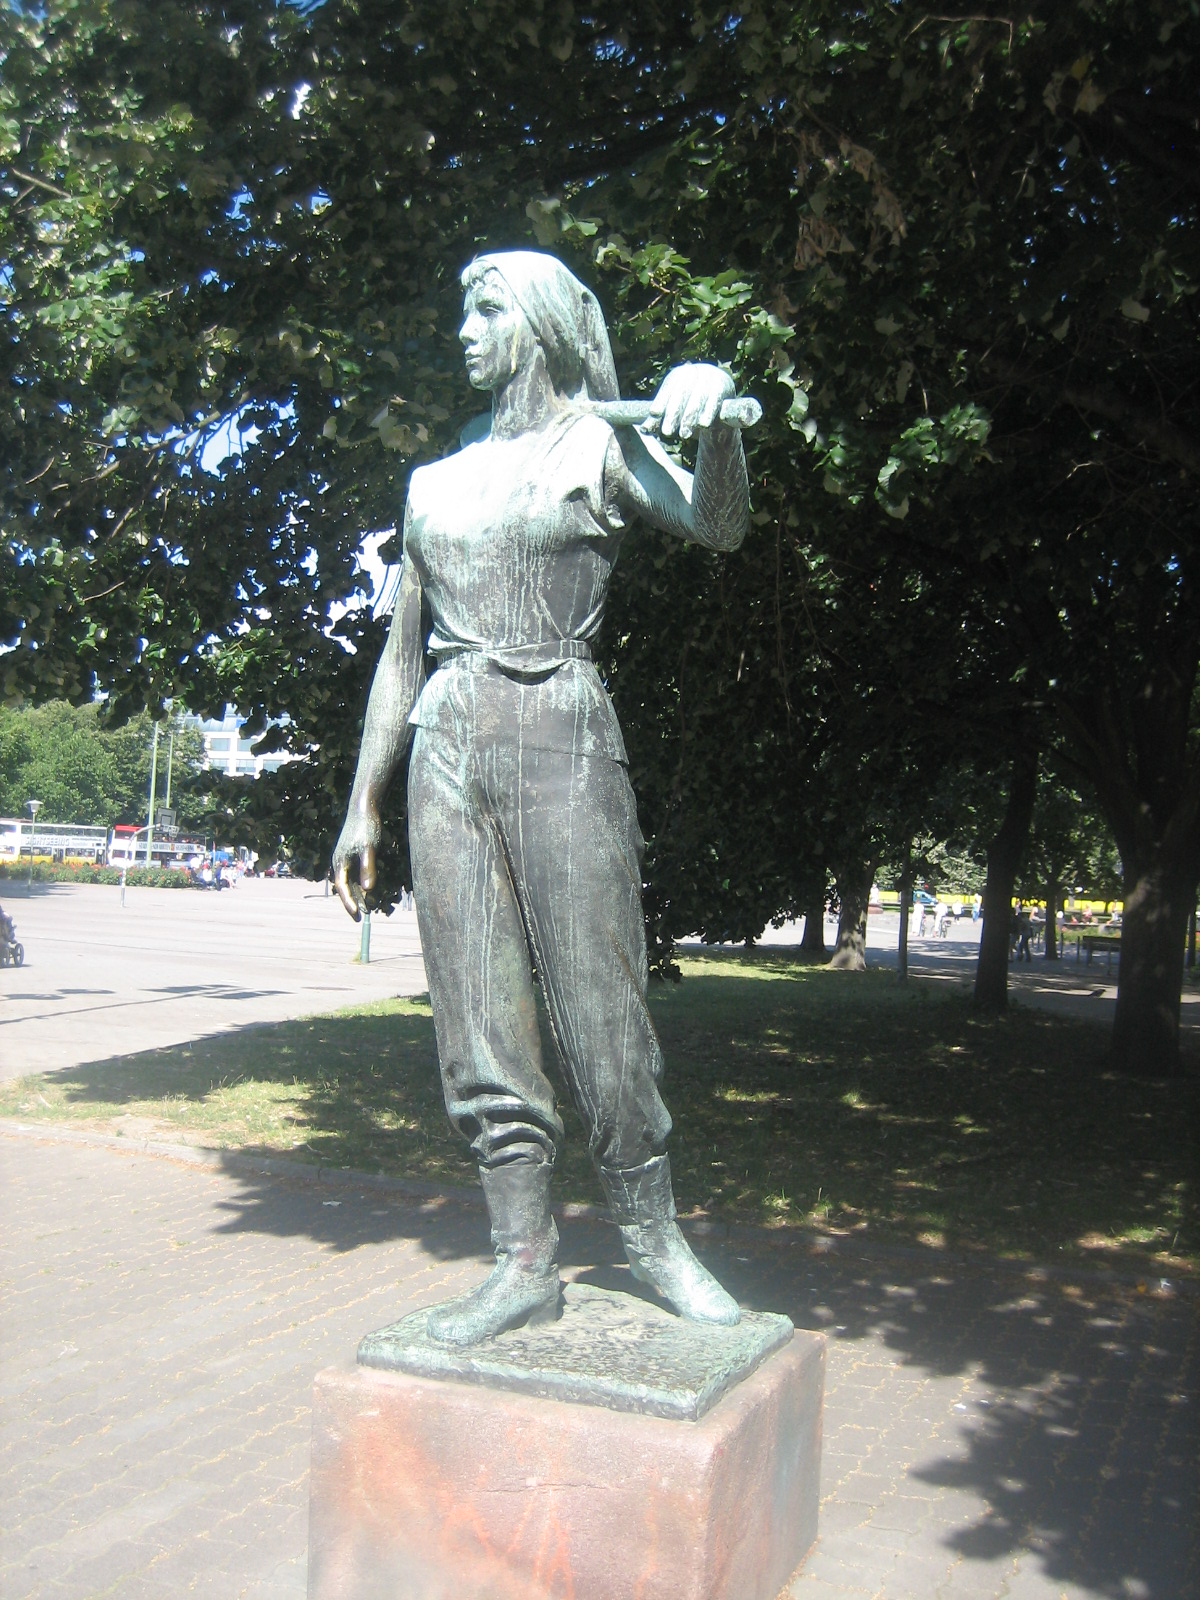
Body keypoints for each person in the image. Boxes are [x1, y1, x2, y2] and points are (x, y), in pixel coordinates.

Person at [332, 250, 750, 1346]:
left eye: (485, 312)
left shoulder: (601, 444)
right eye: (461, 312)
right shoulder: (434, 480)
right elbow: (401, 653)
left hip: (563, 730)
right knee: (477, 1019)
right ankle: (521, 1260)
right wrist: (363, 801)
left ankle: (655, 1240)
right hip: (448, 744)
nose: (463, 332)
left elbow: (718, 524)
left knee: (603, 1011)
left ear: (541, 325)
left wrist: (714, 419)